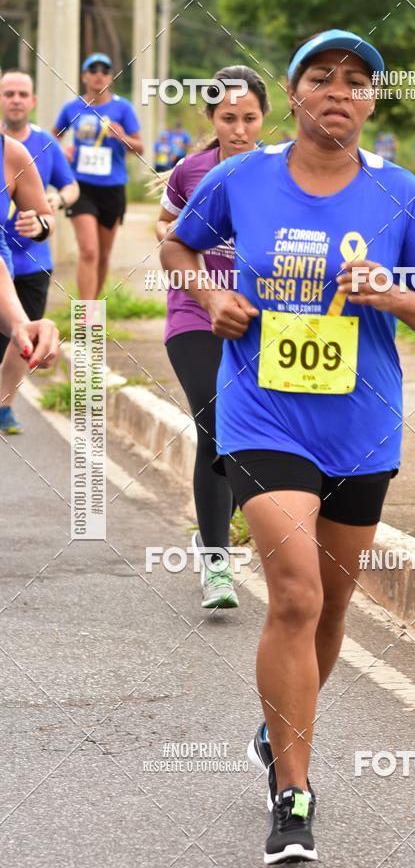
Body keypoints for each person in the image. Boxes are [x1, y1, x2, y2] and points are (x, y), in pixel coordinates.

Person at [162, 29, 415, 865]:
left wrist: (392, 292)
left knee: (330, 607)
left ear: (372, 101)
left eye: (357, 81)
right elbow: (177, 244)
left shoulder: (402, 192)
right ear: (293, 94)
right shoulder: (242, 178)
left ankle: (277, 728)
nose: (339, 90)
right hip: (263, 415)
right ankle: (293, 792)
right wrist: (209, 294)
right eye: (322, 77)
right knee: (293, 593)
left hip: (360, 426)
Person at [156, 65, 270, 609]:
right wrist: (182, 240)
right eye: (228, 118)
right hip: (195, 313)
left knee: (248, 433)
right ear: (211, 118)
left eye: (249, 118)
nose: (239, 129)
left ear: (264, 118)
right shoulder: (191, 170)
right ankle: (217, 564)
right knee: (215, 420)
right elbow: (164, 224)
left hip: (259, 319)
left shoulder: (281, 172)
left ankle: (222, 528)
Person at [0, 69, 79, 433]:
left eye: (22, 94)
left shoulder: (24, 151)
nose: (15, 100)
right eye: (9, 93)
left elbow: (58, 201)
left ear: (32, 101)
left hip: (28, 262)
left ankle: (4, 406)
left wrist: (43, 221)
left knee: (22, 337)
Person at [52, 52, 144, 299]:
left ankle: (93, 309)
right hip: (80, 187)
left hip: (112, 188)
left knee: (102, 255)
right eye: (93, 70)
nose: (99, 75)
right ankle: (85, 316)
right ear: (84, 76)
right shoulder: (72, 108)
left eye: (104, 71)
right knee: (89, 251)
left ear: (110, 77)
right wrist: (62, 153)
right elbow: (52, 138)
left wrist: (123, 137)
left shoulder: (122, 108)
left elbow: (140, 148)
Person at [0, 127, 58, 431]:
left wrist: (40, 226)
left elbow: (46, 215)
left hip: (18, 269)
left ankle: (4, 405)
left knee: (16, 339)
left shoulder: (13, 153)